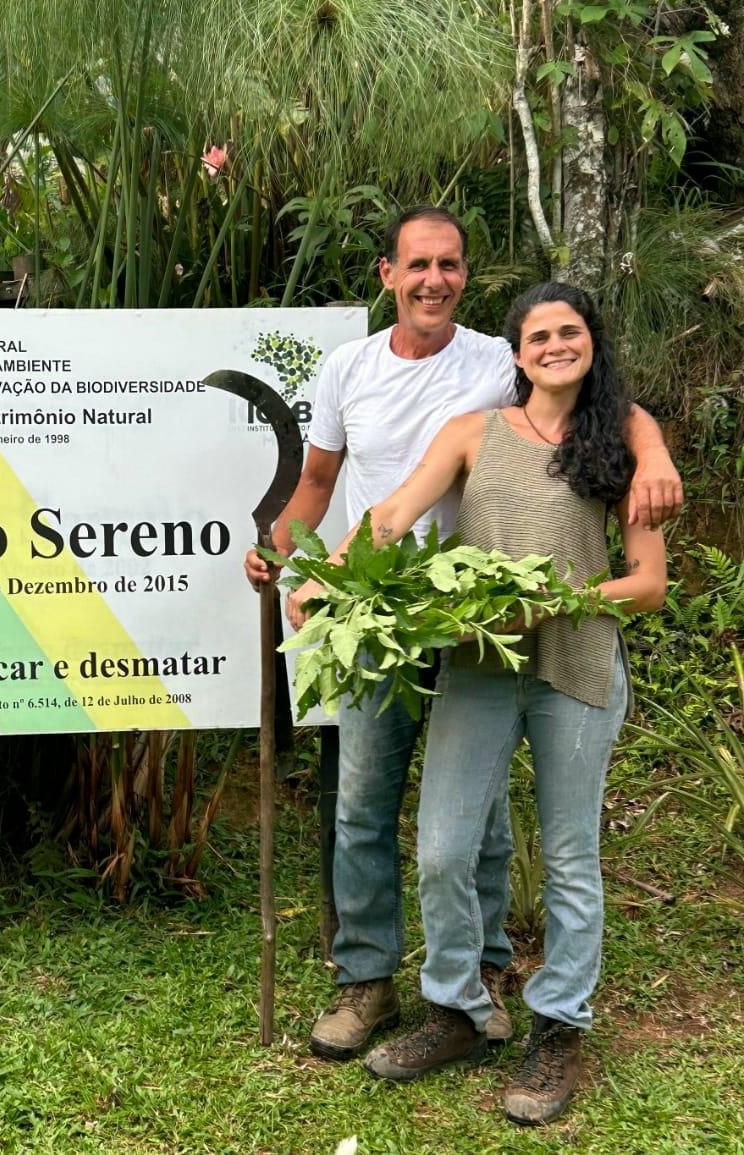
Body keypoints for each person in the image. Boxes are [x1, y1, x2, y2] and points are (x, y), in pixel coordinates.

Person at [243, 207, 682, 1063]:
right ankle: (407, 992)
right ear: (389, 275)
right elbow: (378, 507)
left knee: (538, 844)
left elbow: (645, 556)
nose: (433, 279)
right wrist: (317, 573)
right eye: (418, 264)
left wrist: (652, 456)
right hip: (432, 627)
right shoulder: (418, 401)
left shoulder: (563, 409)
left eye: (449, 264)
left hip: (550, 649)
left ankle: (523, 1003)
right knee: (404, 824)